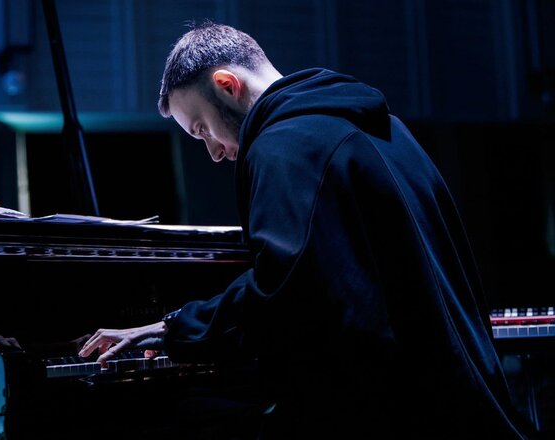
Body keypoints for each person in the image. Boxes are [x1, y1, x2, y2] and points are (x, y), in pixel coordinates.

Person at [78, 22, 530, 438]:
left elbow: (281, 292)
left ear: (227, 85)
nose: (213, 152)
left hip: (388, 412)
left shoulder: (283, 147)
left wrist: (174, 327)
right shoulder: (386, 128)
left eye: (202, 130)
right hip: (459, 399)